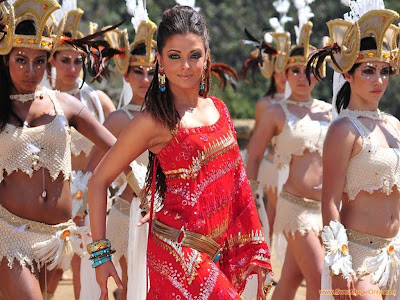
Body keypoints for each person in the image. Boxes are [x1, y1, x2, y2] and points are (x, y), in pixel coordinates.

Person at [88, 5, 272, 300]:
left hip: (215, 253)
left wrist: (253, 249)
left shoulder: (219, 109)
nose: (185, 66)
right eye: (174, 56)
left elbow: (239, 186)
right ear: (159, 60)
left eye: (194, 55)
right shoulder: (153, 121)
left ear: (207, 57)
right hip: (176, 255)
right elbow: (98, 181)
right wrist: (101, 257)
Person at [0, 0, 117, 299]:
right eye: (21, 60)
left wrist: (155, 184)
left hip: (60, 239)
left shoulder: (63, 104)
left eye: (39, 61)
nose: (31, 70)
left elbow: (117, 149)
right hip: (11, 236)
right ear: (5, 59)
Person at [307, 2, 400, 298]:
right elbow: (330, 202)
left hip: (395, 254)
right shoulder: (343, 130)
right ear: (348, 74)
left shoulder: (395, 125)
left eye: (384, 71)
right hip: (359, 257)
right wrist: (338, 262)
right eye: (369, 71)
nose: (379, 80)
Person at [246, 19, 332, 299]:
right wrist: (252, 201)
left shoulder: (331, 112)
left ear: (318, 73)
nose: (302, 76)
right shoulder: (276, 112)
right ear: (284, 73)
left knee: (293, 277)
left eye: (308, 70)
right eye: (294, 70)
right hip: (294, 207)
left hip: (325, 210)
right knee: (320, 277)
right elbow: (255, 156)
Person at [41, 6, 117, 299]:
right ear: (53, 62)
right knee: (50, 271)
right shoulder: (42, 101)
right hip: (55, 196)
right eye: (65, 60)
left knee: (86, 268)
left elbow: (121, 142)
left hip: (92, 195)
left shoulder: (97, 101)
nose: (72, 67)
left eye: (77, 61)